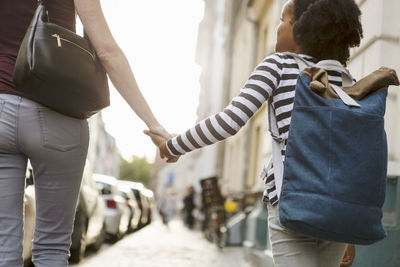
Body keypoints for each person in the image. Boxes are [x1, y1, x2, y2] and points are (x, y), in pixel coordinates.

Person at [145, 0, 363, 266]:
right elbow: (347, 153)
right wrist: (350, 228)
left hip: (293, 200)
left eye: (284, 19)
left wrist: (173, 146)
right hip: (338, 209)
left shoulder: (278, 65)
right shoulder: (345, 79)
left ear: (302, 30)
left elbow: (229, 120)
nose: (277, 26)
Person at [0, 0, 169, 266]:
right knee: (51, 247)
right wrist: (152, 122)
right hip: (57, 109)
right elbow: (106, 50)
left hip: (1, 109)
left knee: (2, 245)